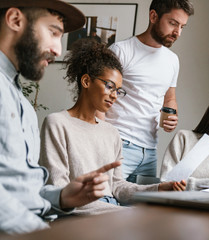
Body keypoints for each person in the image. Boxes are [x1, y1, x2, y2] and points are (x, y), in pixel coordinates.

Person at [0, 1, 121, 235]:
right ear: (15, 20)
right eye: (53, 32)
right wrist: (43, 233)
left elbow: (23, 189)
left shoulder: (23, 105)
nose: (58, 49)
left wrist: (64, 196)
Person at [39, 39, 175, 215]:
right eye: (110, 86)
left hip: (109, 210)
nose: (114, 96)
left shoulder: (111, 132)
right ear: (87, 81)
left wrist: (158, 189)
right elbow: (59, 190)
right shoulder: (57, 123)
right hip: (82, 214)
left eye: (118, 90)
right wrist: (119, 213)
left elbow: (117, 186)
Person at [99, 0, 195, 183]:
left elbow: (169, 98)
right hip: (119, 143)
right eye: (173, 23)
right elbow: (98, 98)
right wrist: (104, 143)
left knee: (141, 208)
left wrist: (171, 115)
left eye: (182, 26)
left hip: (149, 150)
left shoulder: (172, 60)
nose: (178, 33)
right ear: (153, 16)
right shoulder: (121, 51)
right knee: (104, 202)